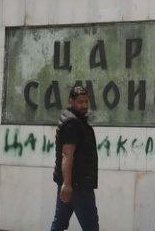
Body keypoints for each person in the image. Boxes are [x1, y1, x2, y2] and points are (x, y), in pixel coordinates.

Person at [51, 86, 99, 231]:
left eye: (86, 101)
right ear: (71, 102)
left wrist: (66, 184)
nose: (84, 105)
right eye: (80, 102)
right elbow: (67, 154)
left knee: (59, 224)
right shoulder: (72, 124)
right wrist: (67, 184)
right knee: (91, 226)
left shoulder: (76, 120)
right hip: (78, 186)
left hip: (72, 184)